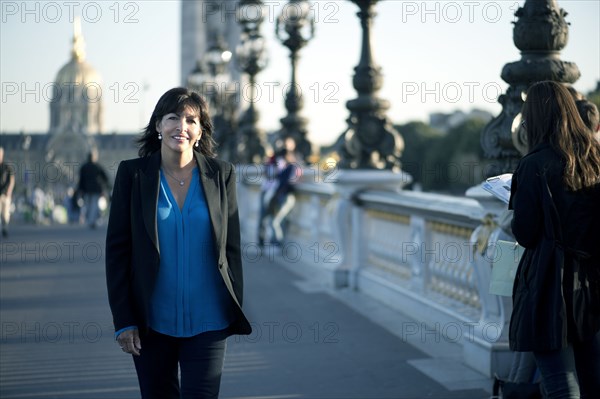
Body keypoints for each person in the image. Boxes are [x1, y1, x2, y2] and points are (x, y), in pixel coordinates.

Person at [105, 87, 251, 399]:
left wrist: (233, 301)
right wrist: (124, 320)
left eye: (191, 120)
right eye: (173, 117)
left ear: (200, 130)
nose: (181, 126)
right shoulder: (132, 175)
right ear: (158, 125)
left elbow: (232, 246)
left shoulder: (221, 174)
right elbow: (117, 253)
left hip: (209, 320)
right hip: (151, 322)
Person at [509, 81, 600, 398]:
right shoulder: (595, 158)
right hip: (593, 279)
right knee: (594, 379)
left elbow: (526, 233)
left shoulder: (533, 164)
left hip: (551, 283)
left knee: (560, 381)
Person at [77, 149, 109, 228]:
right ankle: (92, 221)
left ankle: (90, 220)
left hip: (86, 190)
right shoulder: (97, 166)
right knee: (94, 205)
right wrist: (105, 186)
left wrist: (80, 190)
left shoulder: (84, 167)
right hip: (96, 189)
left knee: (88, 205)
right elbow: (105, 177)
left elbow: (81, 180)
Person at [0, 147, 15, 238]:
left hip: (5, 194)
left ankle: (5, 228)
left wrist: (9, 190)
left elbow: (12, 180)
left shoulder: (7, 166)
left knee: (5, 213)